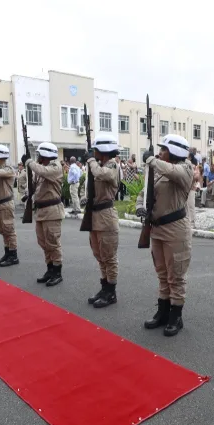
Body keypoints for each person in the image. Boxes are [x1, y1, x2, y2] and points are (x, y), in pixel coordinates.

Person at [136, 134, 194, 337]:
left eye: (163, 150)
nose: (160, 153)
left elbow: (173, 172)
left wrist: (152, 160)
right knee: (162, 274)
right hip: (157, 229)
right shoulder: (158, 170)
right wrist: (140, 207)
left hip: (176, 229)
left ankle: (175, 317)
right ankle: (162, 312)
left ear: (174, 151)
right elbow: (144, 192)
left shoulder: (186, 169)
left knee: (176, 276)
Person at [84, 134, 122, 309]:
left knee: (109, 257)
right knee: (99, 255)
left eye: (95, 150)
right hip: (95, 215)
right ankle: (104, 288)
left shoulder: (112, 165)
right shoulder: (99, 165)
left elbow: (100, 173)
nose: (93, 153)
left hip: (106, 215)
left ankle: (111, 292)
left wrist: (91, 161)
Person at [22, 142, 64, 286]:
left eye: (40, 154)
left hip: (52, 211)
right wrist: (28, 194)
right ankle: (50, 268)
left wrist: (29, 162)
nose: (38, 157)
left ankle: (57, 272)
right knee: (43, 242)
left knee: (53, 242)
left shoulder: (55, 168)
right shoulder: (41, 169)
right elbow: (35, 184)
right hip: (41, 211)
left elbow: (43, 172)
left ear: (46, 155)